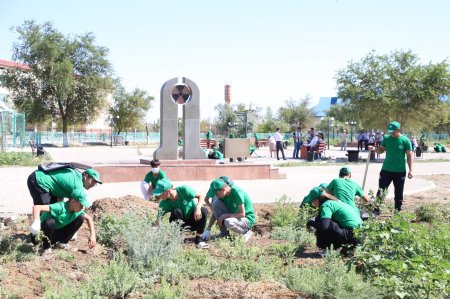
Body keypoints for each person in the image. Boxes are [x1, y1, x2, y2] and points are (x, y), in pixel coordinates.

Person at [28, 189, 96, 251]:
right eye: (81, 204)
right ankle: (46, 248)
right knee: (50, 222)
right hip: (39, 237)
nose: (82, 207)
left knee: (80, 218)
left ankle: (61, 243)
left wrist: (92, 235)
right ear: (73, 201)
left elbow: (89, 218)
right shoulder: (60, 207)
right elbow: (36, 207)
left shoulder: (77, 210)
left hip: (51, 236)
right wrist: (36, 222)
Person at [370, 121, 413, 211]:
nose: (391, 133)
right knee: (381, 190)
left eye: (393, 131)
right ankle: (376, 208)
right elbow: (381, 150)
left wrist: (411, 170)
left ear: (398, 130)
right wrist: (374, 149)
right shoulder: (386, 138)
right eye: (390, 131)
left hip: (400, 171)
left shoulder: (405, 141)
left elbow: (409, 156)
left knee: (398, 191)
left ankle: (398, 209)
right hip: (386, 170)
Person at [153, 178, 209, 248]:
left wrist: (198, 208)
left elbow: (201, 195)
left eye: (160, 193)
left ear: (168, 191)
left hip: (194, 221)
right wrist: (152, 232)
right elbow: (158, 221)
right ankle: (177, 239)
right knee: (176, 211)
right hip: (181, 226)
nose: (159, 196)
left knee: (203, 210)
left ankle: (198, 239)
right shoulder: (163, 203)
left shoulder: (183, 189)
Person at [27, 167, 101, 206]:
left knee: (53, 212)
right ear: (86, 176)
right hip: (39, 181)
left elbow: (60, 196)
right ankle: (36, 234)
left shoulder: (77, 176)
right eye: (93, 181)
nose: (94, 185)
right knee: (44, 211)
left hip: (44, 181)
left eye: (96, 183)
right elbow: (81, 204)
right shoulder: (77, 186)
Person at [201, 176, 234, 240]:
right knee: (216, 204)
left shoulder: (231, 192)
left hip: (232, 214)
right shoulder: (215, 190)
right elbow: (206, 199)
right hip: (218, 204)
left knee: (216, 206)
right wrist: (211, 207)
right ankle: (224, 233)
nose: (229, 188)